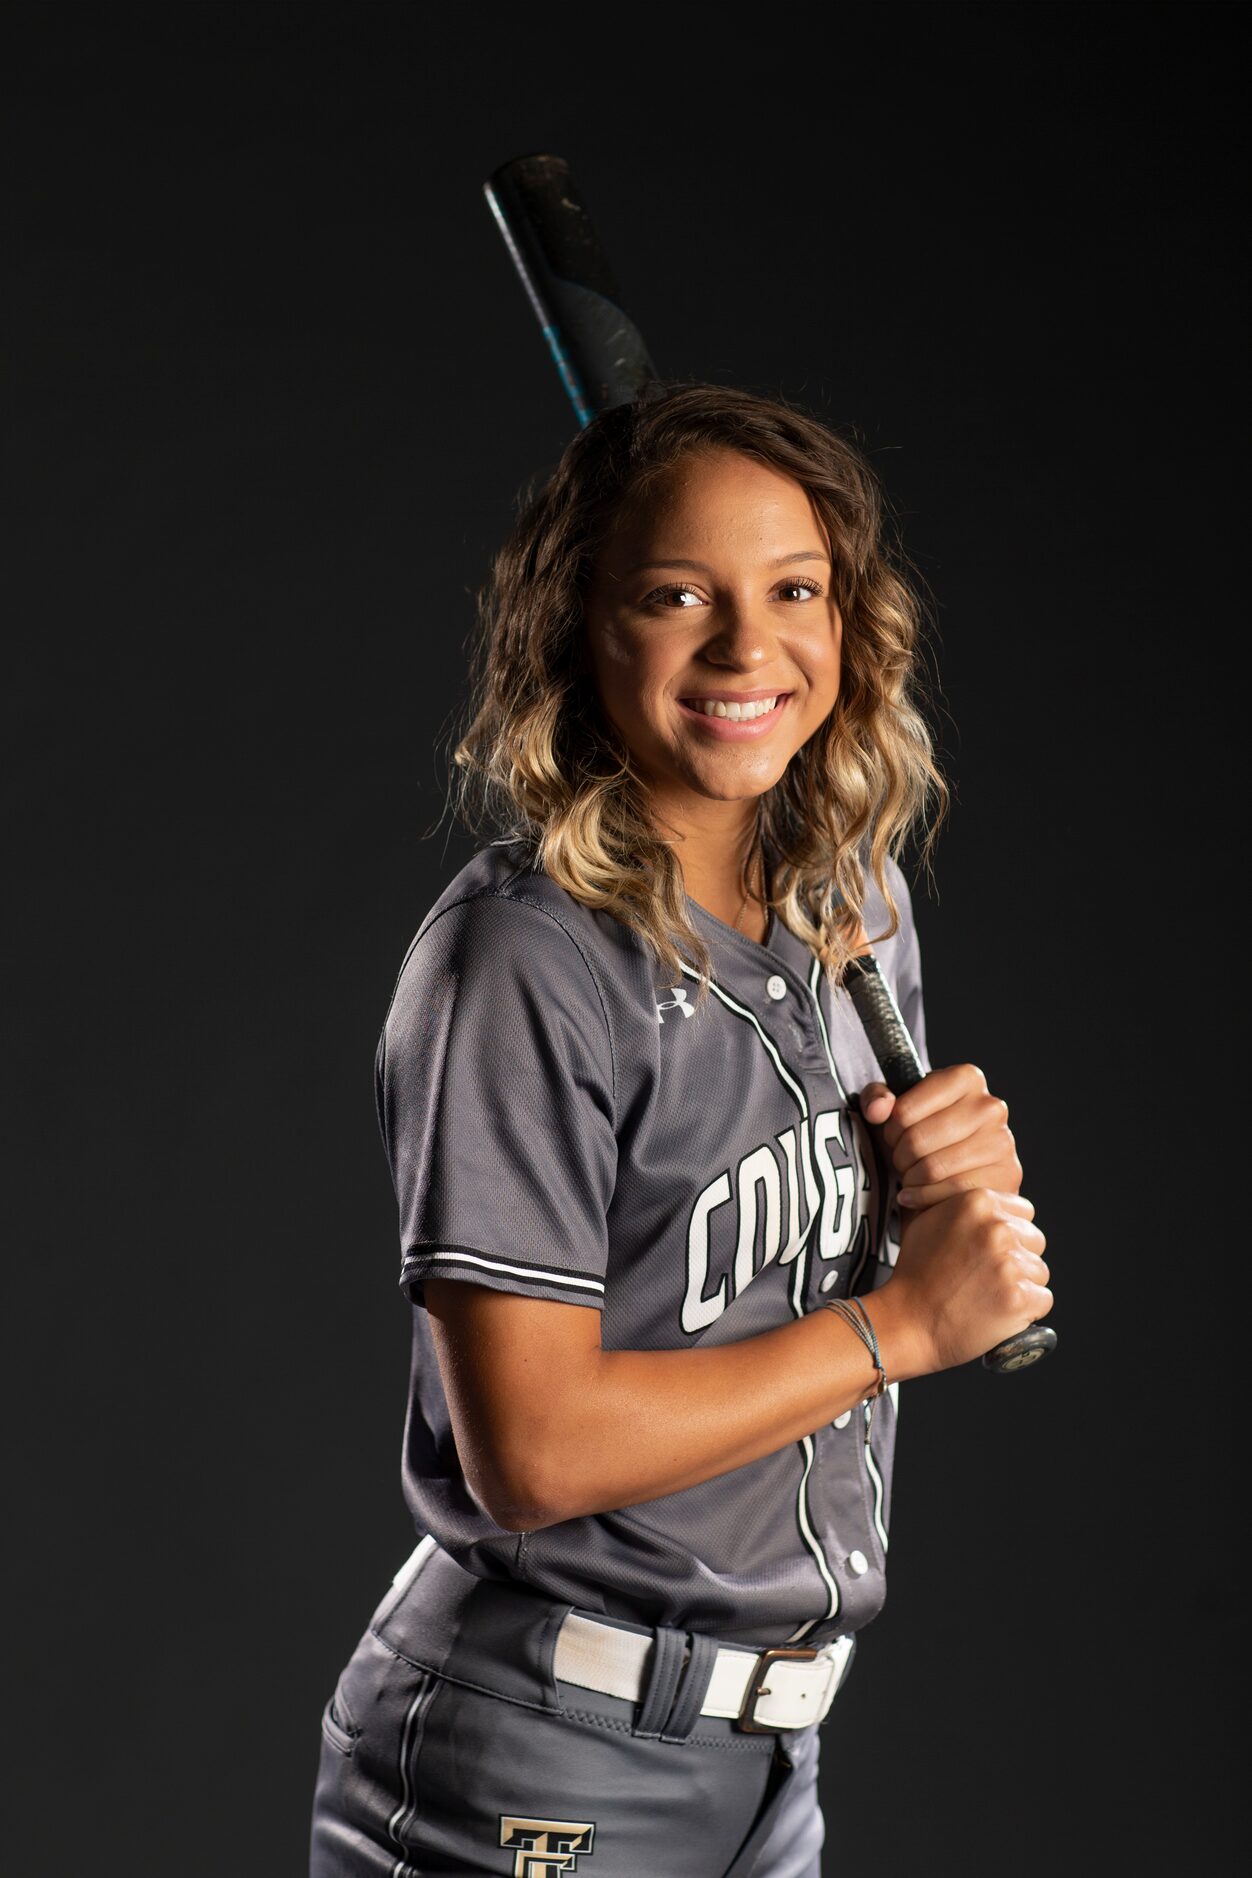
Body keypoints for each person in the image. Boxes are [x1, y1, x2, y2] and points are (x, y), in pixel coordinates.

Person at [309, 384, 1052, 1877]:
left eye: (793, 590)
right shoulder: (522, 963)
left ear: (854, 628)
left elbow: (753, 1277)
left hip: (769, 1757)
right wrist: (902, 1324)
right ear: (576, 630)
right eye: (674, 596)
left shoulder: (855, 906)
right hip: (537, 1755)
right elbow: (531, 1445)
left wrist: (929, 1195)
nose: (745, 650)